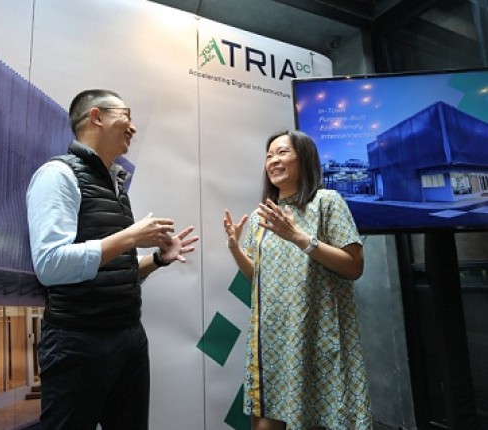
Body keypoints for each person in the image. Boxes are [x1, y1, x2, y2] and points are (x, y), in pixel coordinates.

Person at [27, 89, 199, 430]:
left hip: (129, 339)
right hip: (77, 342)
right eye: (126, 116)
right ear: (96, 117)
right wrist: (132, 236)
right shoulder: (57, 175)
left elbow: (113, 270)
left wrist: (158, 260)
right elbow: (50, 265)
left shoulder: (115, 183)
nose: (133, 127)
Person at [223, 130, 372, 430]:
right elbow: (257, 278)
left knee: (319, 419)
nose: (273, 161)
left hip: (317, 337)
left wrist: (299, 238)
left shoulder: (327, 202)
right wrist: (235, 250)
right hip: (273, 341)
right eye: (268, 156)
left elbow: (354, 267)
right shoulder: (261, 215)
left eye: (282, 153)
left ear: (304, 158)